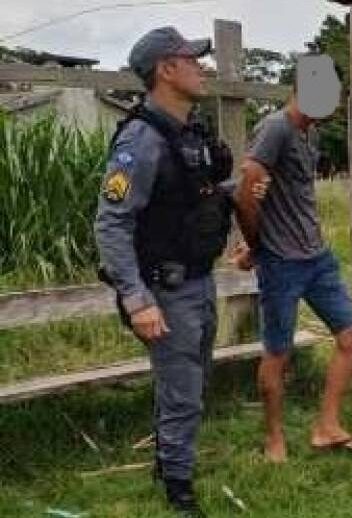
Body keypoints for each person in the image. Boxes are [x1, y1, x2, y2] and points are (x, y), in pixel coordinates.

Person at [95, 26, 233, 517]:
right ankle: (179, 490)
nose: (202, 67)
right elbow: (111, 223)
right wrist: (137, 300)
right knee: (183, 395)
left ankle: (166, 461)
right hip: (165, 290)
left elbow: (195, 199)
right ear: (166, 71)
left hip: (199, 280)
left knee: (193, 383)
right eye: (190, 60)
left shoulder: (190, 132)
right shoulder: (140, 140)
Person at [231, 83, 352, 464]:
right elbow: (246, 192)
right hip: (281, 264)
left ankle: (327, 425)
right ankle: (274, 438)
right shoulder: (275, 128)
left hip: (317, 257)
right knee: (278, 353)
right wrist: (257, 247)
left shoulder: (312, 132)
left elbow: (288, 195)